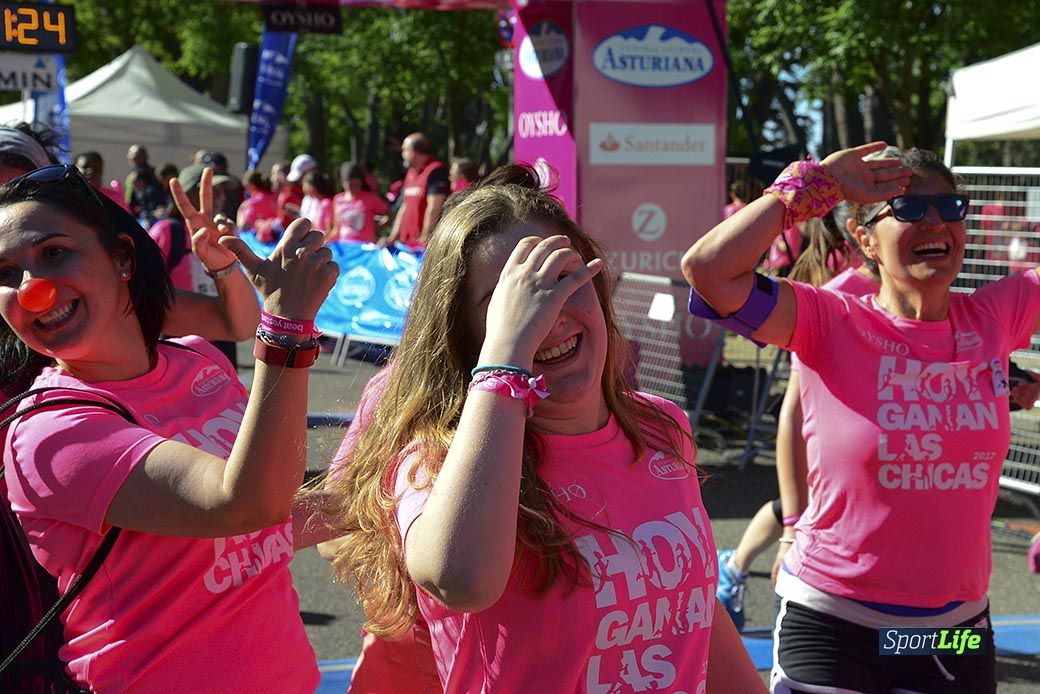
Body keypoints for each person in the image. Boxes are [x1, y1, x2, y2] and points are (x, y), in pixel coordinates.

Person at [308, 163, 764, 692]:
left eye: (565, 280)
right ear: (465, 336)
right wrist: (507, 360)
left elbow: (694, 612)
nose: (550, 314)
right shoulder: (436, 462)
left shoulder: (661, 425)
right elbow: (462, 579)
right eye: (512, 303)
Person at [683, 142, 1040, 693]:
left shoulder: (996, 317)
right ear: (864, 237)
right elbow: (708, 271)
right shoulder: (832, 318)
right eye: (908, 208)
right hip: (832, 621)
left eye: (949, 208)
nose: (934, 221)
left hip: (953, 630)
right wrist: (806, 189)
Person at [0, 163, 339, 691]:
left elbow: (263, 526)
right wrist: (288, 330)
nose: (30, 289)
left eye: (54, 253)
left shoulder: (198, 360)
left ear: (122, 259)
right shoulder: (48, 433)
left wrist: (394, 489)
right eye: (3, 273)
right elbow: (244, 503)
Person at [0, 124, 258, 345]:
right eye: (5, 273)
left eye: (53, 252)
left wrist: (224, 267)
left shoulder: (113, 297)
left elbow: (237, 325)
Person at [382, 133, 449, 248]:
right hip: (406, 244)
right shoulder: (410, 173)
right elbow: (404, 206)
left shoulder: (436, 170)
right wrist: (392, 237)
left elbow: (434, 207)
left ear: (412, 152)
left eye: (404, 150)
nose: (402, 154)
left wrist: (425, 237)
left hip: (422, 246)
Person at [329, 162, 389, 244]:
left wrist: (376, 227)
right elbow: (337, 228)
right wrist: (326, 241)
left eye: (356, 184)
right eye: (350, 185)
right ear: (342, 183)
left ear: (361, 182)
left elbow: (389, 215)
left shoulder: (371, 198)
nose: (353, 188)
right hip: (345, 247)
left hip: (365, 247)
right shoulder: (338, 199)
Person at [123, 144, 164, 224]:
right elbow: (129, 201)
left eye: (141, 156)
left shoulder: (157, 174)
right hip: (140, 217)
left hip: (156, 216)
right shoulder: (131, 177)